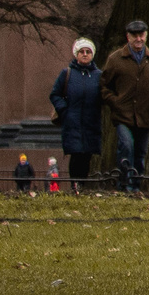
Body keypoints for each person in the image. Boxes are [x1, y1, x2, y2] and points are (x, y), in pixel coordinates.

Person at [101, 20, 149, 194]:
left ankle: (136, 186)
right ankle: (124, 184)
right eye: (134, 35)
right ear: (128, 37)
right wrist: (114, 101)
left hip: (145, 115)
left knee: (140, 153)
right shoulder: (115, 59)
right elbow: (104, 86)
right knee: (126, 146)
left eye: (141, 35)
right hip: (122, 115)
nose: (138, 39)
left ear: (146, 36)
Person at [49, 38, 103, 186]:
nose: (85, 54)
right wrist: (64, 110)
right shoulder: (67, 73)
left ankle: (82, 185)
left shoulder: (99, 75)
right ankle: (75, 185)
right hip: (72, 122)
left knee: (87, 155)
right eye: (82, 51)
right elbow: (55, 94)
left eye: (88, 52)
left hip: (91, 123)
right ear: (76, 54)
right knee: (76, 154)